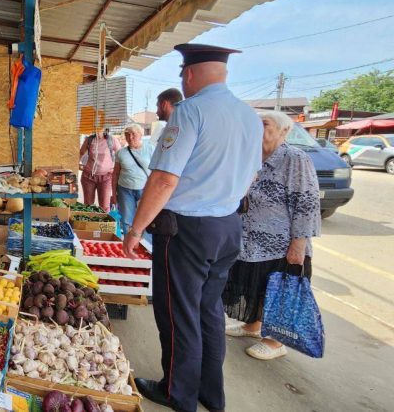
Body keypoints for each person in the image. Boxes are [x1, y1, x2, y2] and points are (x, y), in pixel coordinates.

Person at [122, 43, 264, 412]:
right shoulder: (249, 116)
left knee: (178, 314)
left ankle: (177, 392)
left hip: (187, 231)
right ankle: (210, 394)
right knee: (208, 312)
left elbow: (164, 179)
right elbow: (252, 175)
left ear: (188, 74)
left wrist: (136, 230)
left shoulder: (190, 111)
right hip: (228, 227)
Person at [223, 111, 321, 360]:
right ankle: (253, 326)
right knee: (256, 287)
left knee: (278, 290)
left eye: (264, 124)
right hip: (251, 242)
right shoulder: (252, 157)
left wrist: (298, 244)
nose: (257, 128)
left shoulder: (294, 158)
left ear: (284, 130)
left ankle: (276, 341)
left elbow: (307, 203)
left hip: (280, 244)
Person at [111, 124, 153, 242]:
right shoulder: (121, 153)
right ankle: (128, 243)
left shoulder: (150, 149)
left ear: (140, 135)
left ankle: (143, 244)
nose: (130, 137)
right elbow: (115, 174)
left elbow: (156, 171)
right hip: (125, 189)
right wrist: (114, 194)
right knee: (126, 219)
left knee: (145, 218)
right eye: (127, 135)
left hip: (144, 189)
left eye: (133, 134)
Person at [79, 128, 122, 211]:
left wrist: (116, 169)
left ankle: (104, 220)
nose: (97, 129)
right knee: (88, 205)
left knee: (105, 206)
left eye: (100, 127)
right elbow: (81, 153)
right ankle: (90, 219)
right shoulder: (89, 140)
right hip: (88, 177)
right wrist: (77, 164)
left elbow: (120, 155)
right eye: (95, 127)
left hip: (106, 177)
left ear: (105, 128)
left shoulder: (111, 140)